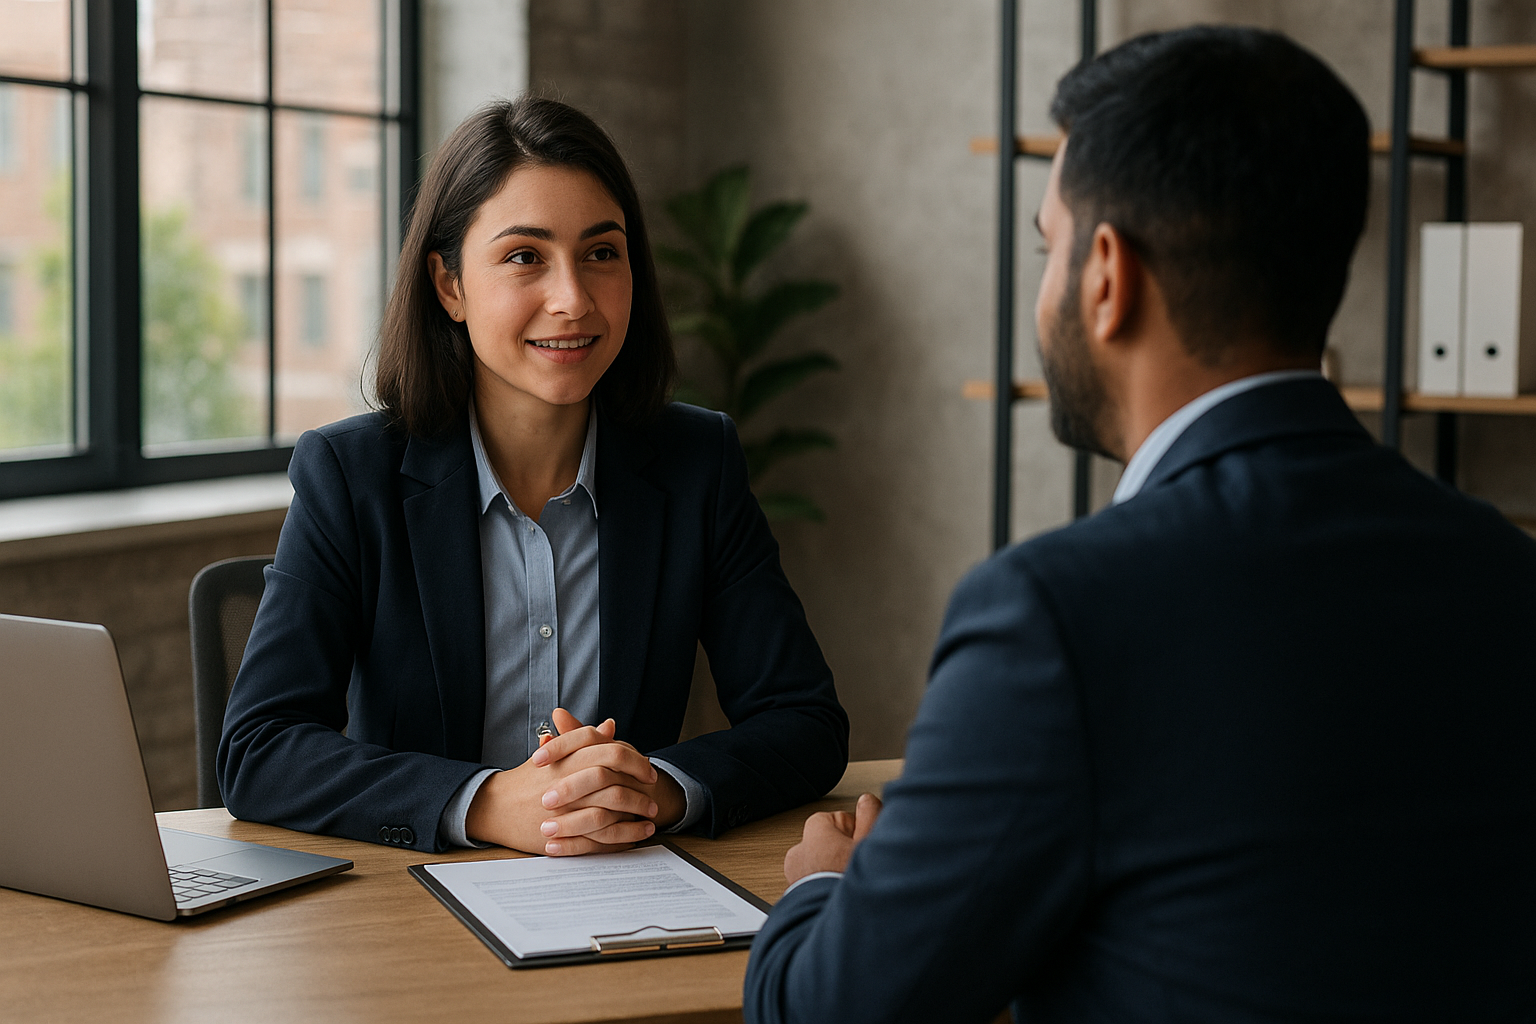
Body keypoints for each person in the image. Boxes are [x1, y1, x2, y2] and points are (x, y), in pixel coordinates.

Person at [744, 26, 1536, 1024]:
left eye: (1048, 246)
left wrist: (823, 885)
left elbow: (827, 1012)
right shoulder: (1507, 570)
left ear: (1107, 275)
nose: (1044, 291)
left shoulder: (1054, 618)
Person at [218, 97, 849, 857]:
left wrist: (659, 787)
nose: (573, 299)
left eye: (601, 252)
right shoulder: (351, 475)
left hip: (623, 892)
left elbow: (805, 721)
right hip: (415, 910)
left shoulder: (696, 463)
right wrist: (482, 803)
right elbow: (259, 749)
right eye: (525, 256)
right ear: (449, 285)